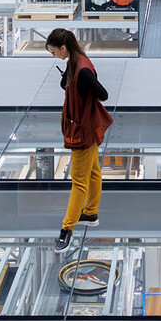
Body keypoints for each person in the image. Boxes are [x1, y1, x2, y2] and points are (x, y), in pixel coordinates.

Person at [45, 28, 112, 253]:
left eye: (54, 51)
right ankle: (90, 213)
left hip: (81, 131)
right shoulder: (76, 60)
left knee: (79, 182)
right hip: (86, 126)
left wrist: (82, 89)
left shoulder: (81, 70)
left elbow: (103, 94)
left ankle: (67, 229)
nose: (54, 55)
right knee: (93, 172)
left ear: (63, 47)